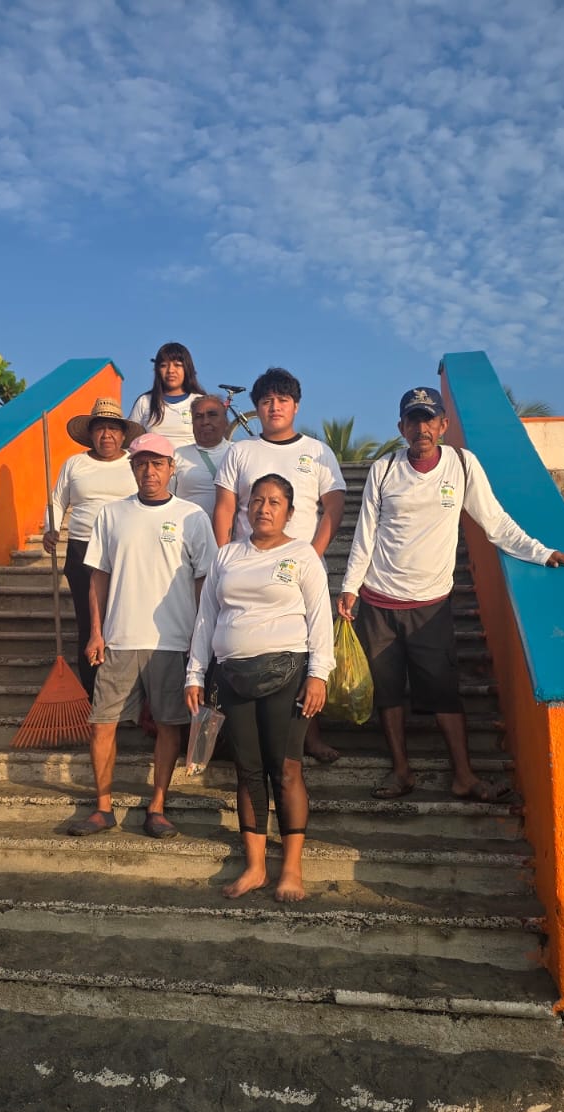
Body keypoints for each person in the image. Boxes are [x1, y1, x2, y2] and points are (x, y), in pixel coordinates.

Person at [338, 387, 564, 801]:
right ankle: (401, 772)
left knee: (445, 693)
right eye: (413, 420)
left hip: (431, 606)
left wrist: (542, 553)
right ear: (401, 427)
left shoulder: (463, 466)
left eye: (429, 419)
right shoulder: (383, 471)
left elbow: (496, 523)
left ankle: (464, 775)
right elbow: (365, 536)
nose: (422, 428)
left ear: (443, 425)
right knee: (388, 692)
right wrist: (349, 588)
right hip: (379, 601)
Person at [187, 475, 333, 902]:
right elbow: (205, 617)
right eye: (256, 501)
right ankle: (254, 867)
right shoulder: (227, 555)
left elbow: (319, 616)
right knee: (247, 770)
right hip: (232, 674)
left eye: (274, 502)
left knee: (286, 769)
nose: (263, 508)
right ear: (245, 508)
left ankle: (290, 868)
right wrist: (195, 673)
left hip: (288, 673)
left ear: (289, 510)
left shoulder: (301, 554)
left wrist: (319, 673)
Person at [74, 432, 214, 839]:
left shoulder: (193, 517)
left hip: (174, 642)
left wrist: (200, 641)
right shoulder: (111, 515)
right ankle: (102, 807)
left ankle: (157, 805)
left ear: (172, 469)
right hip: (118, 640)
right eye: (140, 463)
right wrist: (96, 633)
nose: (149, 471)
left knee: (170, 725)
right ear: (131, 467)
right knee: (102, 724)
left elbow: (204, 583)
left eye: (157, 464)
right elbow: (97, 578)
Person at [213, 366, 345, 764]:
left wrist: (313, 555)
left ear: (296, 406)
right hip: (246, 567)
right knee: (242, 646)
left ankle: (310, 735)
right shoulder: (240, 451)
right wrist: (224, 560)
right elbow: (224, 507)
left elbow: (334, 507)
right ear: (257, 408)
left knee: (305, 649)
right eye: (266, 401)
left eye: (282, 400)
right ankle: (237, 736)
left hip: (298, 570)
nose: (274, 407)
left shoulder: (317, 451)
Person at [43, 396, 145, 696]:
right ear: (91, 433)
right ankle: (92, 692)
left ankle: (129, 692)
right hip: (82, 549)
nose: (106, 435)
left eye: (113, 429)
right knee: (89, 623)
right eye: (100, 429)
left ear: (123, 434)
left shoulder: (134, 463)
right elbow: (57, 500)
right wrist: (51, 528)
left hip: (126, 550)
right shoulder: (75, 464)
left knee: (127, 620)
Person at [126, 342, 206, 451]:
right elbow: (129, 441)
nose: (170, 371)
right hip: (152, 467)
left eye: (177, 365)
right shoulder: (145, 401)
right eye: (164, 365)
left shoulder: (200, 402)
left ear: (187, 369)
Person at [170, 392, 233, 518]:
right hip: (188, 534)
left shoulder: (237, 453)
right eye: (198, 416)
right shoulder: (178, 455)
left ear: (226, 421)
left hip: (231, 535)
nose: (205, 422)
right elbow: (167, 499)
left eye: (212, 415)